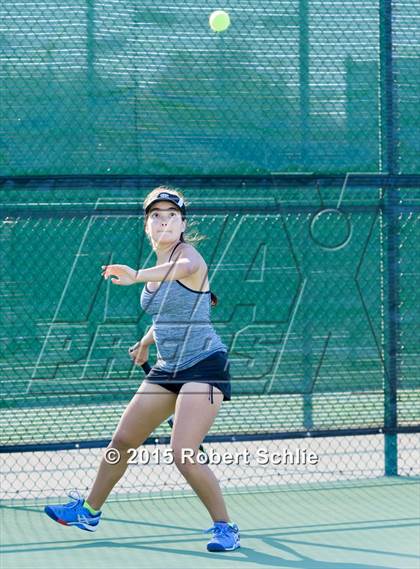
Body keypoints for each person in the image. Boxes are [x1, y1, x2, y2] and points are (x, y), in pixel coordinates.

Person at [44, 187, 240, 552]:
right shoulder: (155, 268)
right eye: (155, 215)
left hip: (204, 364)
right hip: (167, 369)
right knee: (121, 442)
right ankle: (89, 511)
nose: (162, 220)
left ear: (183, 224)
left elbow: (184, 270)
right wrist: (148, 342)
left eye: (171, 215)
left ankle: (225, 527)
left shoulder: (188, 257)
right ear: (146, 225)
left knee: (183, 452)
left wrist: (135, 274)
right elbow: (168, 312)